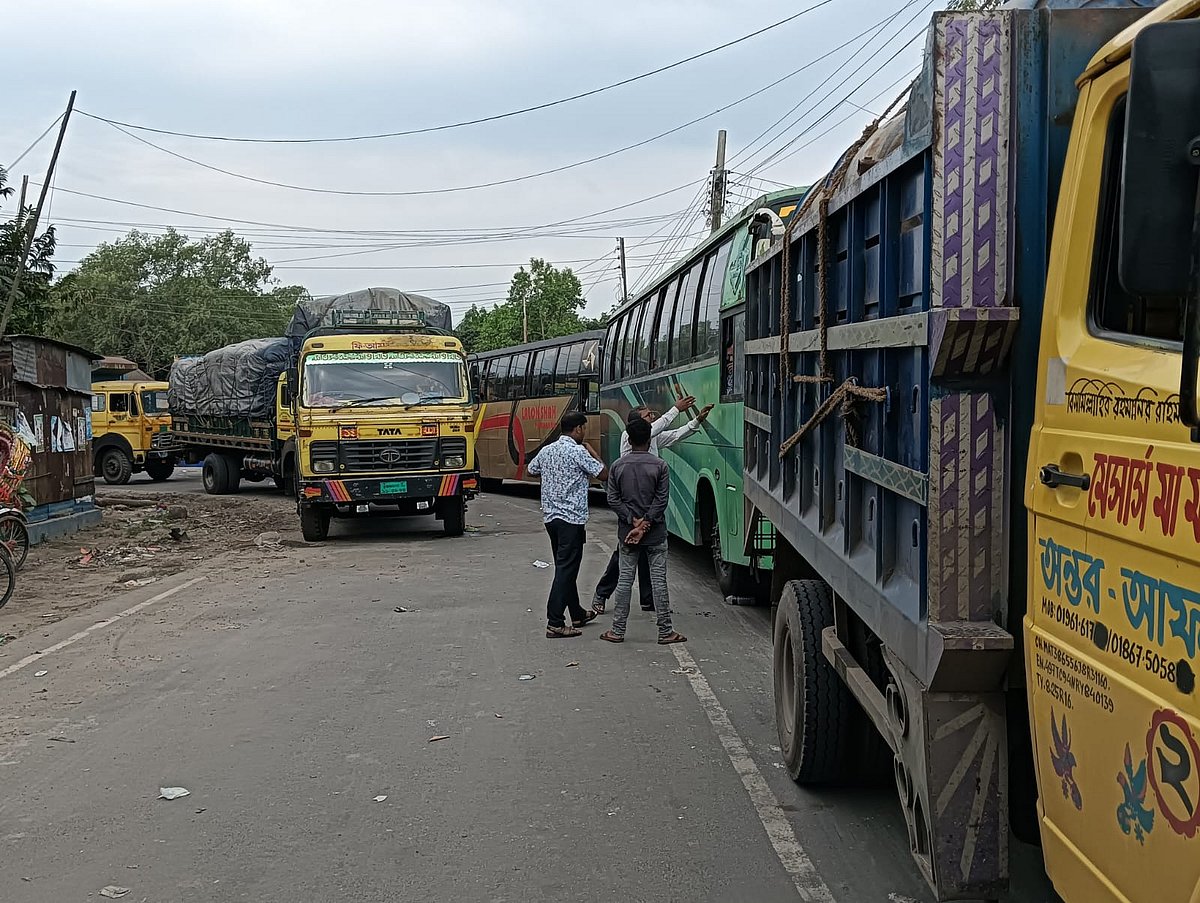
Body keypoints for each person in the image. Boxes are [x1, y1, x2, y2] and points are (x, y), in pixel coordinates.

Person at [591, 394, 714, 614]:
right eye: (648, 415)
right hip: (632, 508)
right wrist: (675, 409)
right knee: (622, 557)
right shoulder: (627, 437)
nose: (653, 416)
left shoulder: (652, 438)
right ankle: (602, 594)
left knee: (648, 552)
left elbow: (675, 435)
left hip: (650, 510)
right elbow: (659, 426)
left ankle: (648, 600)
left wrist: (697, 421)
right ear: (636, 425)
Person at [599, 416, 686, 645]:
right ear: (649, 439)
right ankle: (666, 631)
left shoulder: (618, 466)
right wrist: (646, 523)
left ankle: (617, 631)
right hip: (656, 534)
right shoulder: (660, 466)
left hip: (628, 534)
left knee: (625, 581)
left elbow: (613, 498)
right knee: (659, 582)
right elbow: (661, 500)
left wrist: (633, 521)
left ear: (628, 439)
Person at [526, 411, 608, 638]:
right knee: (566, 569)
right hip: (571, 520)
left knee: (565, 566)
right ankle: (555, 622)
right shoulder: (577, 451)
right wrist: (593, 454)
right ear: (578, 429)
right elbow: (603, 475)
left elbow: (531, 470)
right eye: (584, 428)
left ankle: (578, 613)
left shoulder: (547, 450)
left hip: (551, 519)